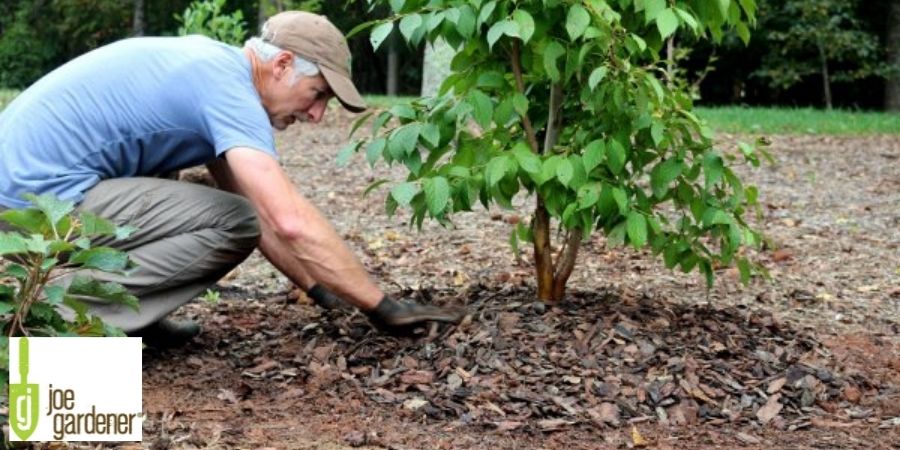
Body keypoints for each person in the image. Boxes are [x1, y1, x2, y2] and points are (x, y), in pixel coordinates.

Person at [0, 11, 464, 345]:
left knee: (184, 181)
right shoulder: (229, 92)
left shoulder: (214, 67)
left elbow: (262, 213)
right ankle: (62, 320)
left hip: (30, 191)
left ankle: (134, 314)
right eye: (318, 92)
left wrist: (322, 290)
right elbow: (284, 220)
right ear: (282, 65)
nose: (318, 114)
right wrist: (381, 306)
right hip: (37, 203)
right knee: (228, 220)